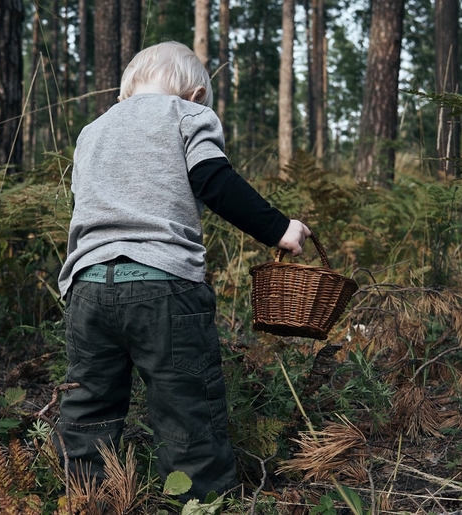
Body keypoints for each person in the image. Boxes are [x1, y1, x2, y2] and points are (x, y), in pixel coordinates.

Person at [56, 41, 310, 501]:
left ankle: (85, 499)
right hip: (162, 285)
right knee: (185, 403)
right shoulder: (187, 115)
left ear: (126, 92)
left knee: (89, 403)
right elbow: (215, 181)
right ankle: (199, 503)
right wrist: (279, 229)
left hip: (87, 285)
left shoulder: (92, 131)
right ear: (195, 95)